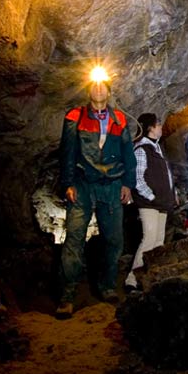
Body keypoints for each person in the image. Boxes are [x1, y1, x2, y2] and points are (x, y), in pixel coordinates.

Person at [56, 79, 136, 318]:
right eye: (95, 84)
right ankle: (67, 295)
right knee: (74, 238)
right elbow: (67, 151)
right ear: (89, 90)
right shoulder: (75, 116)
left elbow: (128, 155)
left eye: (104, 85)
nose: (99, 89)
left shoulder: (119, 119)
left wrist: (128, 185)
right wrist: (68, 182)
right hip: (83, 184)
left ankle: (108, 286)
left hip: (111, 185)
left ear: (110, 92)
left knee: (114, 239)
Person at [125, 113, 176, 291]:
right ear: (150, 128)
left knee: (159, 241)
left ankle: (151, 277)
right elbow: (138, 179)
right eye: (158, 124)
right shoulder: (141, 149)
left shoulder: (156, 148)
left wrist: (169, 196)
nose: (161, 127)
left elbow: (166, 177)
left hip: (162, 203)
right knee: (149, 239)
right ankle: (132, 279)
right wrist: (152, 196)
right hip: (150, 203)